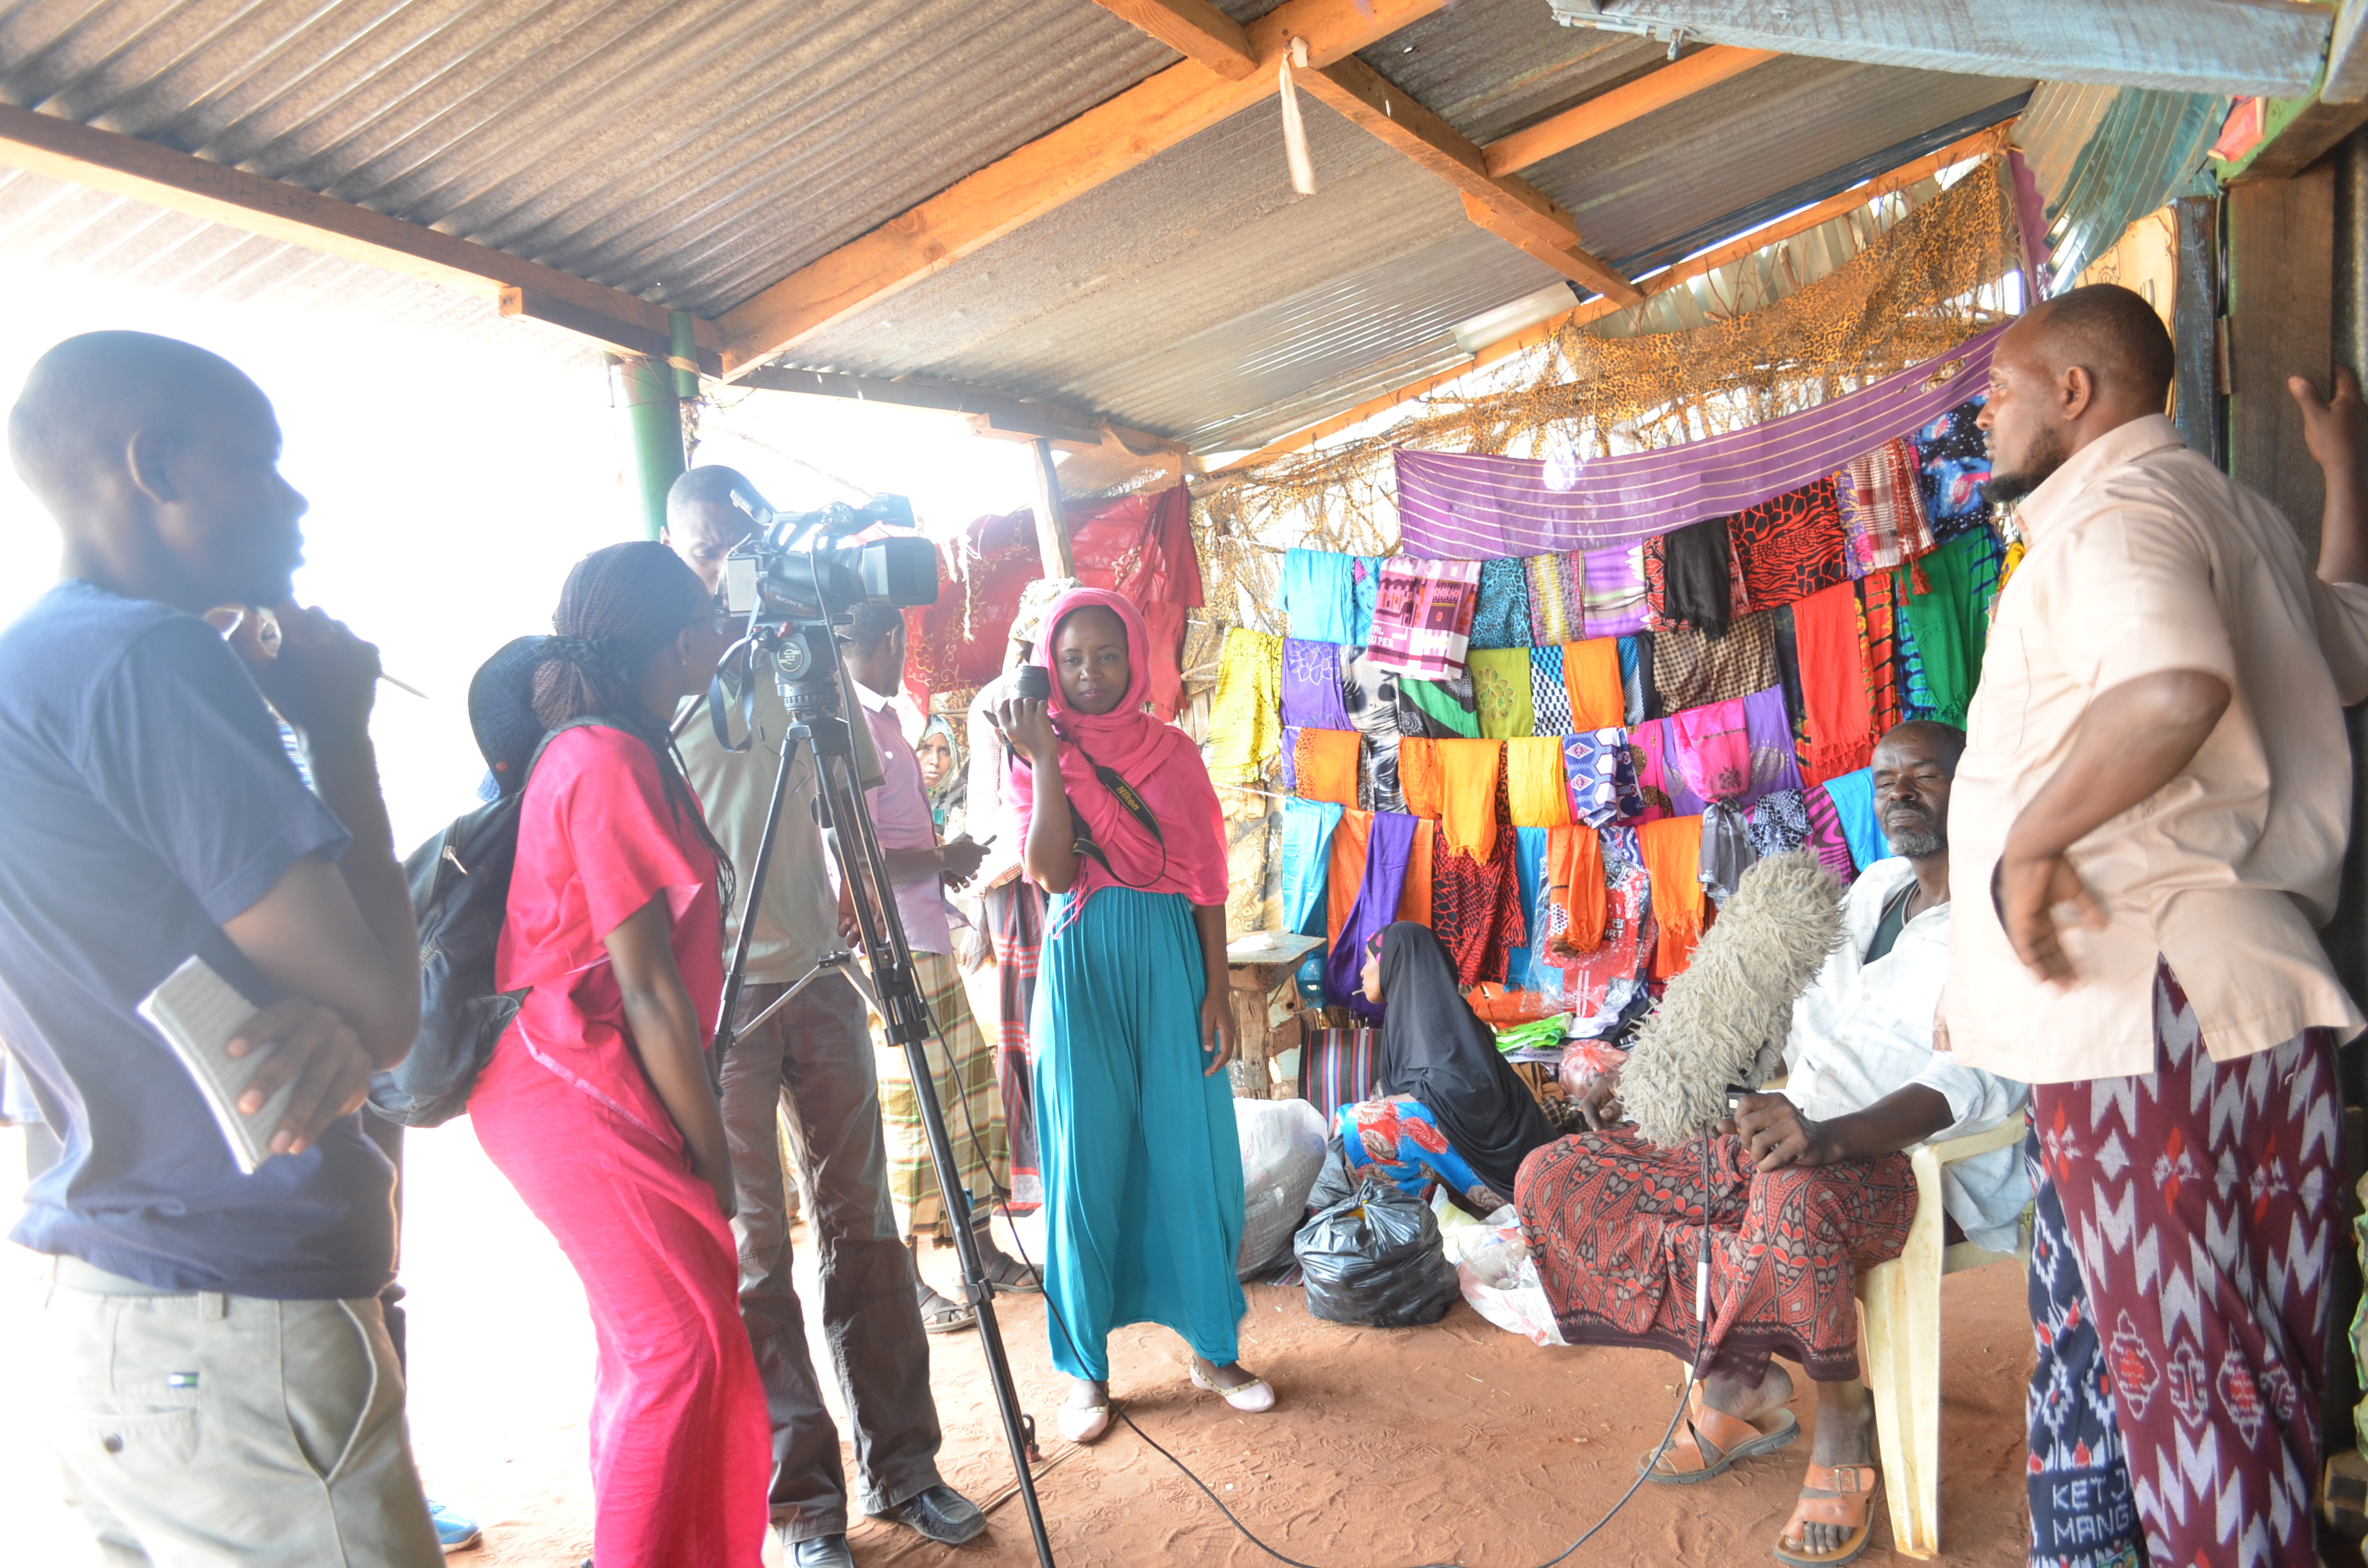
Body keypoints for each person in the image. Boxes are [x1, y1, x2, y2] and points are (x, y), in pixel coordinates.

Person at [1944, 283, 2368, 1568]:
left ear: (2075, 391)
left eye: (2002, 391)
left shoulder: (2110, 520)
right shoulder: (2225, 512)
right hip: (2252, 1014)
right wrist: (2347, 474)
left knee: (2199, 1403)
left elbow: (2174, 686)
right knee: (2245, 1375)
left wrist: (2032, 839)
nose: (1986, 419)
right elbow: (2350, 640)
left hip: (2152, 1020)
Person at [0, 331, 440, 1566]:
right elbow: (384, 1009)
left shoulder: (26, 669)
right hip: (236, 1327)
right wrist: (339, 731)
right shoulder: (147, 653)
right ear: (157, 466)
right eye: (264, 464)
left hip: (105, 1318)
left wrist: (337, 1020)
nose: (296, 501)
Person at [1519, 721, 2027, 1568]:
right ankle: (1743, 1379)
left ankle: (1843, 1422)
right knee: (1565, 1175)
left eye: (1924, 776)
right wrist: (1657, 1073)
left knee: (1795, 1195)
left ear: (1972, 786)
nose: (1898, 793)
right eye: (1885, 778)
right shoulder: (1868, 893)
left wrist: (1825, 1138)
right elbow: (1780, 1026)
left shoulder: (2003, 914)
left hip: (1917, 1164)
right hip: (1803, 1132)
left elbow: (1971, 1084)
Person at [663, 465, 987, 1567]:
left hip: (824, 977)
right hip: (723, 1007)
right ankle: (803, 1507)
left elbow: (847, 809)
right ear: (676, 551)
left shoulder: (804, 662)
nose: (729, 559)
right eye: (707, 543)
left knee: (867, 1234)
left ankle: (907, 1466)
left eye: (742, 536)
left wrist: (884, 959)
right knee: (757, 1256)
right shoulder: (658, 675)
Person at [465, 541, 768, 1565]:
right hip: (569, 1080)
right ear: (681, 640)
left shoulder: (617, 744)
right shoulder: (602, 758)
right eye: (711, 625)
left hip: (579, 1074)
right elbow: (647, 991)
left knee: (651, 1347)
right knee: (682, 1350)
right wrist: (713, 1156)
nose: (723, 639)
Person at [992, 586, 1270, 1444]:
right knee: (1085, 1167)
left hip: (1169, 961)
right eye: (1070, 658)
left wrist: (1217, 989)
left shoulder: (1173, 754)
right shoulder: (1033, 751)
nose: (1087, 672)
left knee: (1195, 1158)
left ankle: (1212, 1350)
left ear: (1134, 660)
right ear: (1049, 664)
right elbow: (1048, 875)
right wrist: (1046, 760)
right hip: (1079, 971)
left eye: (1105, 655)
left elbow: (1207, 878)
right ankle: (1088, 1375)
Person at [835, 600, 1033, 1327]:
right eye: (903, 648)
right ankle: (910, 1280)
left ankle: (981, 1249)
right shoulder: (848, 728)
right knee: (913, 1112)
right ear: (890, 641)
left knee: (964, 1092)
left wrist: (938, 868)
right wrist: (940, 856)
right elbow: (855, 856)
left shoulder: (887, 720)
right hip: (892, 944)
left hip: (924, 932)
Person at [1337, 922, 1556, 1214]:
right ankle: (1422, 1213)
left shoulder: (1439, 1019)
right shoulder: (1405, 1017)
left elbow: (1461, 1090)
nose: (1362, 972)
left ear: (1392, 962)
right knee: (1346, 1119)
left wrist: (1387, 1107)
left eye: (1368, 960)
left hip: (1501, 1175)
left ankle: (1410, 1221)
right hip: (1467, 1156)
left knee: (1364, 1123)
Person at [916, 714, 967, 840]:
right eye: (925, 749)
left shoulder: (963, 802)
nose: (935, 760)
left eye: (943, 751)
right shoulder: (893, 806)